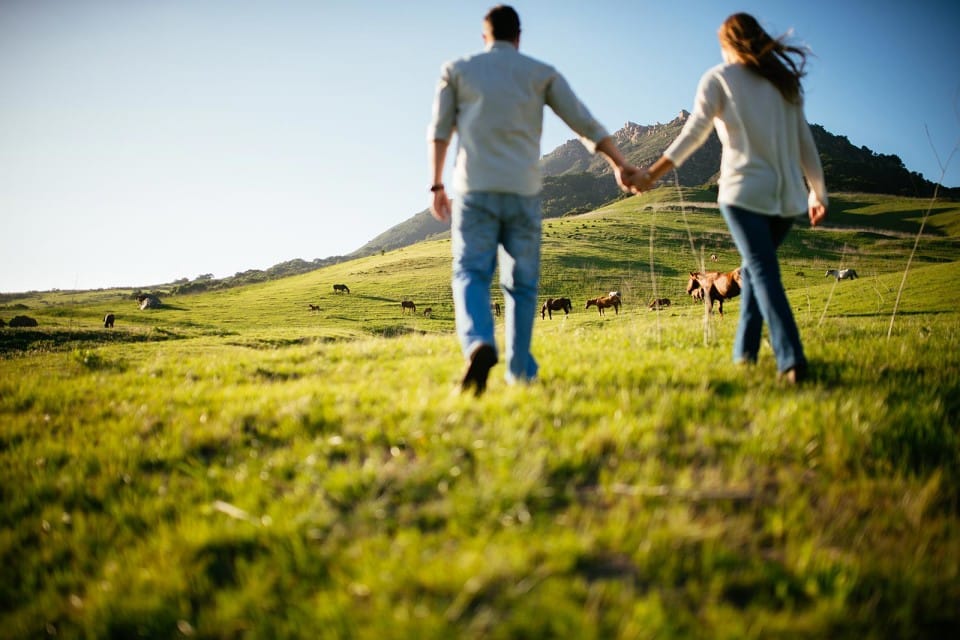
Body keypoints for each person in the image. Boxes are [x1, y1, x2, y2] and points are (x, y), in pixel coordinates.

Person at [427, 5, 637, 395]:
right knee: (521, 286)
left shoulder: (457, 69)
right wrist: (619, 164)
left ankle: (479, 343)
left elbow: (439, 131)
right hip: (523, 192)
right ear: (519, 36)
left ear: (484, 36)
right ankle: (520, 371)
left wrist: (437, 185)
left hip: (475, 191)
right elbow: (585, 124)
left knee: (470, 273)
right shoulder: (541, 72)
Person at [631, 12, 828, 385]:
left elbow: (692, 135)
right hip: (787, 199)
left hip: (743, 194)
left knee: (763, 272)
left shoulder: (719, 78)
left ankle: (791, 359)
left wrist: (651, 174)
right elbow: (806, 143)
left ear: (728, 44)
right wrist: (818, 192)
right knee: (755, 270)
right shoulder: (785, 85)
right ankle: (744, 356)